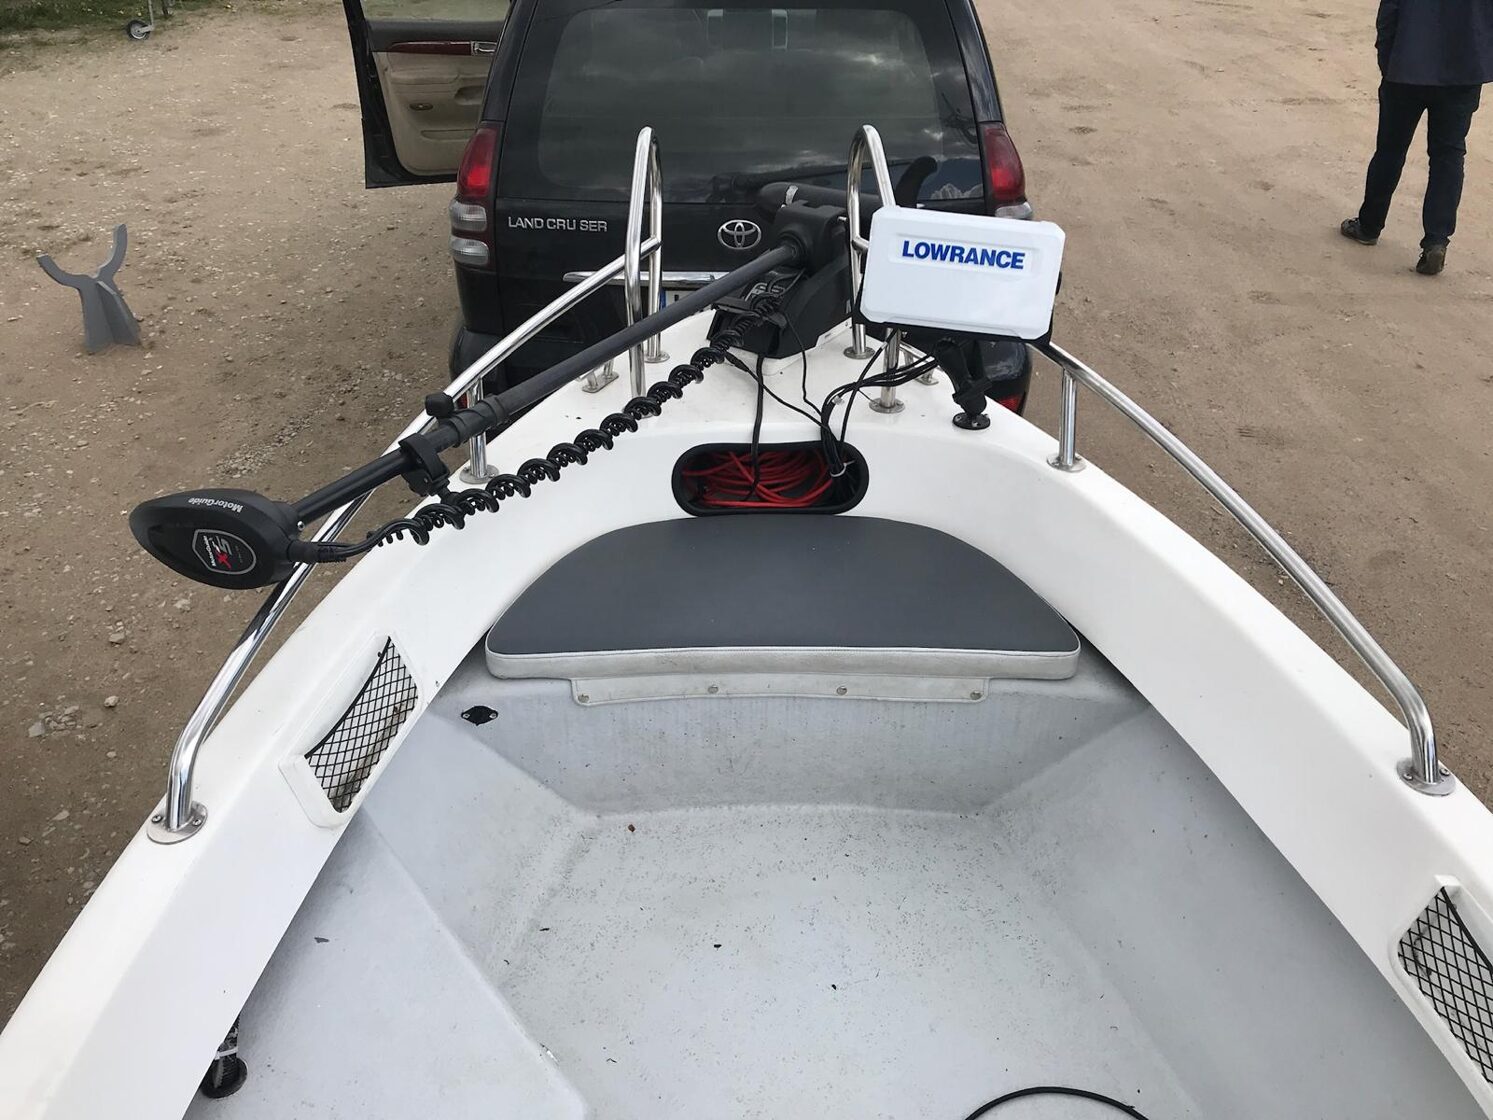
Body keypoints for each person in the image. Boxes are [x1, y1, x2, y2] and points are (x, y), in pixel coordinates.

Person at [1341, 0, 1493, 275]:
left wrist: (1388, 60)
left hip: (1407, 65)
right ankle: (1436, 240)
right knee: (1449, 155)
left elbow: (1390, 12)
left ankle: (1369, 225)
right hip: (1463, 70)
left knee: (1390, 149)